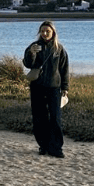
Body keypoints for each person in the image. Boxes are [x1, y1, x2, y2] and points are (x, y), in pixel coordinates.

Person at [23, 20, 69, 158]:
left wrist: (65, 88)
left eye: (47, 31)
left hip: (54, 88)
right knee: (39, 118)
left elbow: (64, 69)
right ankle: (43, 146)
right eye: (42, 31)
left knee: (55, 118)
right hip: (37, 87)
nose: (44, 33)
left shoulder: (59, 49)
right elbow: (28, 64)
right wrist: (31, 53)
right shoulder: (34, 46)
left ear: (53, 32)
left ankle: (56, 148)